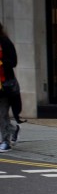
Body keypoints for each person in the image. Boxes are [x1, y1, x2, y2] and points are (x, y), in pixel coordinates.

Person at [0, 22, 21, 152]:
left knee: (2, 114)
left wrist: (1, 63)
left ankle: (5, 141)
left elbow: (13, 61)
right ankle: (13, 129)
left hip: (4, 85)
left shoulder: (5, 42)